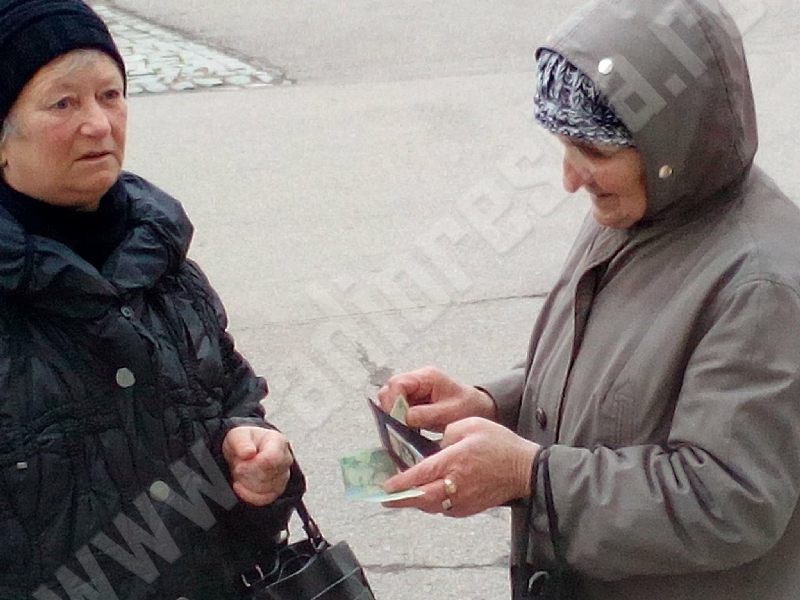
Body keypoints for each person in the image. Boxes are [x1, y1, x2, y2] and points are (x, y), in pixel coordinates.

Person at [377, 0, 800, 598]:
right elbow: (611, 377)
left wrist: (531, 475)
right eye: (564, 146)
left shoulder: (760, 285)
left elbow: (729, 499)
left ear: (671, 144)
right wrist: (491, 405)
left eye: (595, 151)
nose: (570, 178)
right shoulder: (640, 208)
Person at [0, 1, 304, 598]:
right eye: (63, 103)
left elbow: (236, 403)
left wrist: (256, 462)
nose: (98, 124)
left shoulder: (162, 262)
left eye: (110, 95)